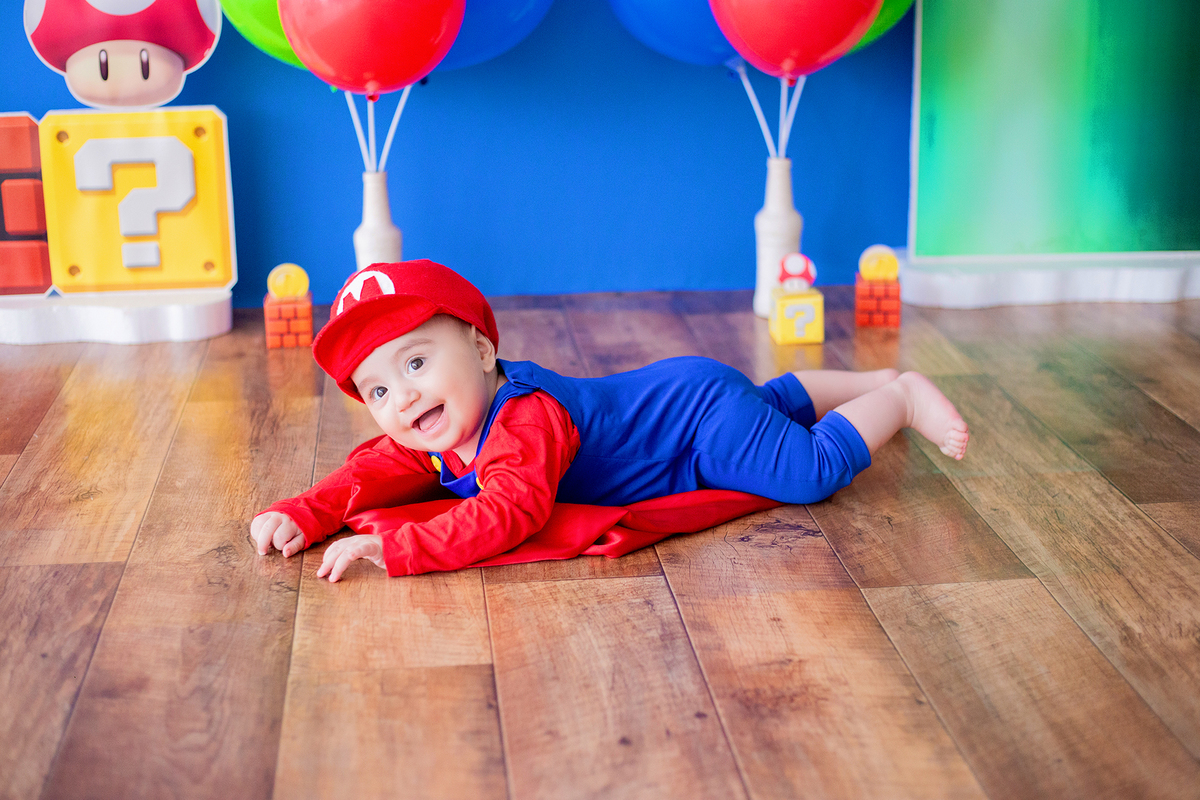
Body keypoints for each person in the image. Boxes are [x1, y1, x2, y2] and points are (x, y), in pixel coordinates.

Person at [252, 260, 968, 582]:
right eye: (377, 390)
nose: (402, 400)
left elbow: (510, 512)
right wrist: (305, 512)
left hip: (696, 424)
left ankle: (901, 398)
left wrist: (398, 545)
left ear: (483, 349)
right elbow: (373, 468)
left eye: (415, 363)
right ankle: (867, 385)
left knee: (805, 470)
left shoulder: (523, 421)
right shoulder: (443, 426)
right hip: (686, 394)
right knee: (769, 403)